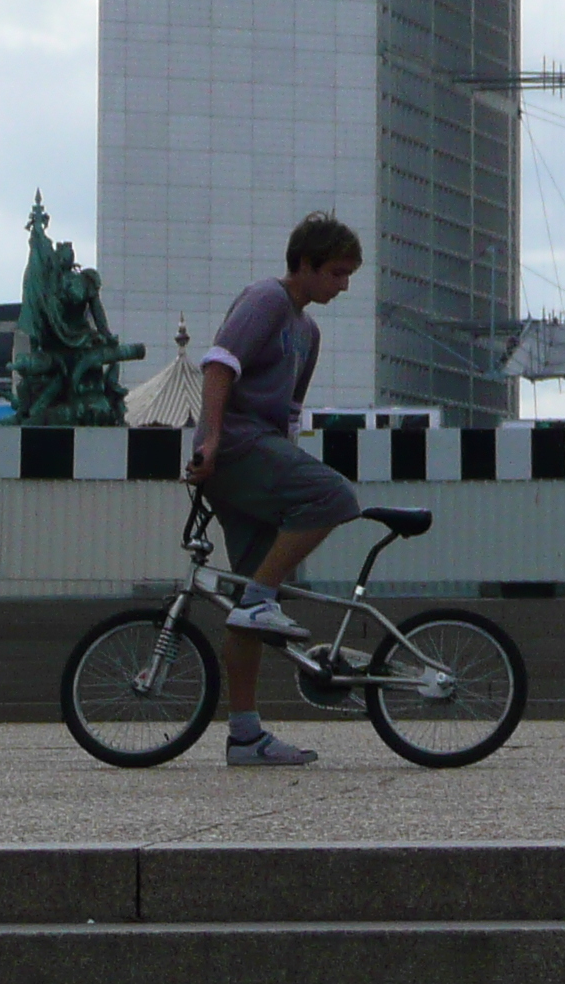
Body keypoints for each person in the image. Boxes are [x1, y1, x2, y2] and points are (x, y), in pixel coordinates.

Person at [185, 210, 368, 767]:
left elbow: (289, 412)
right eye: (336, 273)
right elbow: (219, 365)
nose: (343, 286)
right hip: (237, 447)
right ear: (306, 266)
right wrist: (210, 439)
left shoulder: (307, 331)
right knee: (338, 497)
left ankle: (245, 736)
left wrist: (290, 463)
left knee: (245, 604)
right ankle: (262, 599)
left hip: (263, 449)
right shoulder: (265, 299)